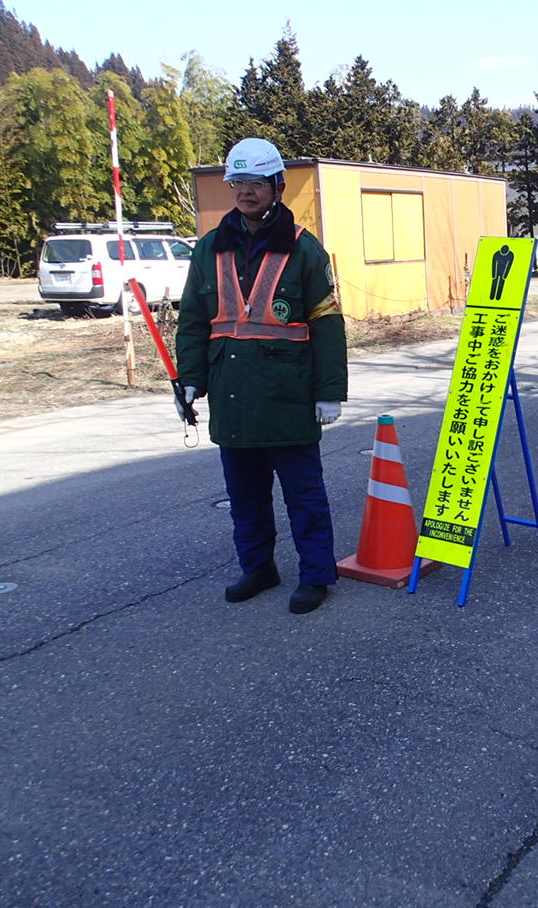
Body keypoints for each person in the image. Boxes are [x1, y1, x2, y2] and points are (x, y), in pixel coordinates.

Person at [176, 138, 348, 615]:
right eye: (238, 182)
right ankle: (258, 567)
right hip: (232, 397)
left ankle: (315, 575)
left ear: (277, 185)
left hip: (289, 398)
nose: (245, 191)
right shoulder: (210, 247)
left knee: (304, 496)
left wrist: (330, 392)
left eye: (255, 182)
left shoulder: (304, 249)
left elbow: (327, 322)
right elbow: (193, 319)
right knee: (244, 498)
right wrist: (190, 380)